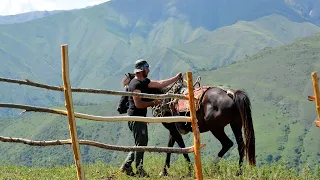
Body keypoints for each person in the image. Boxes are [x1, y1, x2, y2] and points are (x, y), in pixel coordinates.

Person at [119, 59, 183, 177]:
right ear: (142, 70)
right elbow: (138, 104)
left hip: (139, 117)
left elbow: (160, 83)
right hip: (136, 117)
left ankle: (126, 166)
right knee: (141, 143)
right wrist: (154, 103)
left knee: (141, 142)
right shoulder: (135, 85)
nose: (149, 70)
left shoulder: (144, 81)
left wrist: (175, 78)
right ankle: (139, 170)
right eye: (147, 68)